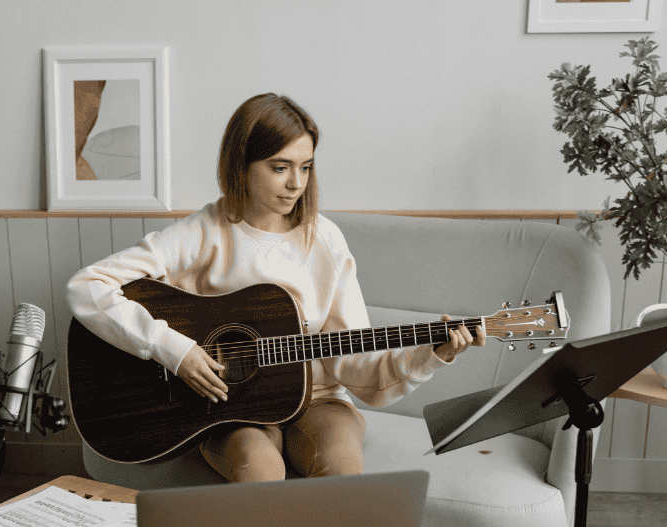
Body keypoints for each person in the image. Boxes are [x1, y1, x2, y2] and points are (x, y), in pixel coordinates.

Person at [66, 93, 485, 482]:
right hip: (229, 409)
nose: (296, 184)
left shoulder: (326, 240)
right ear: (241, 164)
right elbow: (87, 285)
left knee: (342, 474)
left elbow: (356, 363)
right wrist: (175, 350)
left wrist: (433, 355)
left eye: (305, 167)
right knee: (258, 472)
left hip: (318, 400)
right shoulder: (204, 231)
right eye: (280, 167)